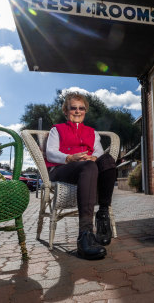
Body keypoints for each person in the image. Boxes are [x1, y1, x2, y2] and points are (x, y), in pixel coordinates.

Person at [45, 92, 117, 260]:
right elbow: (50, 153)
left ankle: (103, 215)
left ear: (85, 111)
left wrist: (94, 157)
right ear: (66, 111)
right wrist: (69, 158)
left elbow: (98, 152)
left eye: (81, 108)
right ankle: (84, 234)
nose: (77, 111)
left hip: (87, 168)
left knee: (107, 160)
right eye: (73, 108)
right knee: (89, 166)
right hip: (63, 169)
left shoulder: (92, 132)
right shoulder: (57, 129)